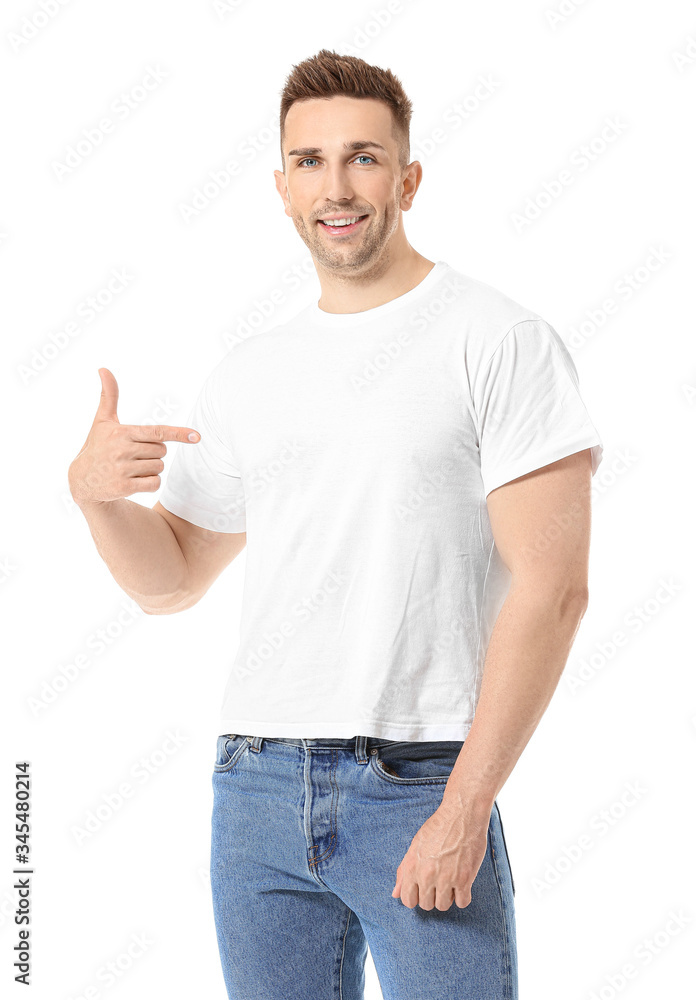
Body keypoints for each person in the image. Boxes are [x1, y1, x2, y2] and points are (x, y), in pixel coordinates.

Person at [69, 48, 604, 1000]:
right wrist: (97, 498)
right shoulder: (250, 372)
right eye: (309, 162)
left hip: (420, 783)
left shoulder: (497, 340)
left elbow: (553, 590)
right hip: (256, 790)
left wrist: (466, 805)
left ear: (408, 177)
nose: (337, 186)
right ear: (280, 187)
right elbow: (172, 579)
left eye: (362, 157)